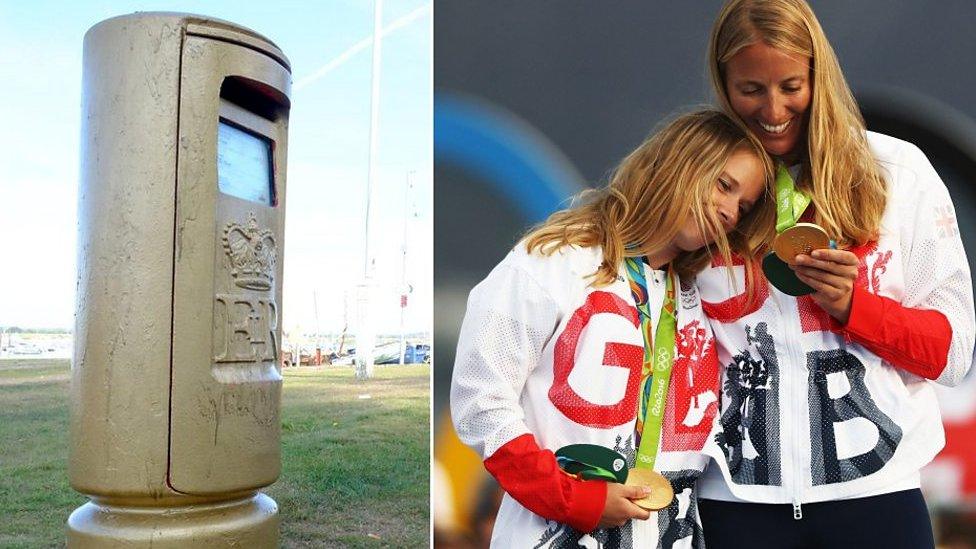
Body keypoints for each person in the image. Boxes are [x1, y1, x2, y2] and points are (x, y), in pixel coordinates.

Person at [695, 1, 976, 548]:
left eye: (791, 85)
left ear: (818, 76)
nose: (773, 109)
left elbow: (952, 353)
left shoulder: (898, 173)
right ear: (722, 83)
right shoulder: (703, 183)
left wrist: (855, 306)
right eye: (751, 89)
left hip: (876, 498)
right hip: (735, 501)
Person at [451, 109, 771, 548]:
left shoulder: (703, 294)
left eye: (744, 206)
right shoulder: (553, 260)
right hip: (553, 533)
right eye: (723, 185)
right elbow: (479, 399)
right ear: (680, 161)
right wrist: (573, 498)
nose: (730, 211)